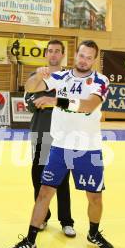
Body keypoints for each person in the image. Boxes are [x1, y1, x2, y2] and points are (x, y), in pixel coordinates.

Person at [8, 40, 114, 248]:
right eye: (81, 55)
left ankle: (93, 233)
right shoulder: (61, 76)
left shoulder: (100, 80)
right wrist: (38, 75)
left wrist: (54, 100)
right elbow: (30, 89)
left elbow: (87, 106)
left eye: (88, 57)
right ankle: (30, 241)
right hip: (59, 146)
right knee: (44, 192)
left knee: (94, 197)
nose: (83, 60)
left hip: (88, 148)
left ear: (94, 60)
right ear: (75, 55)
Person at [25, 39, 75, 237]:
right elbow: (31, 102)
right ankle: (43, 217)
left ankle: (66, 221)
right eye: (50, 51)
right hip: (41, 135)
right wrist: (53, 101)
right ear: (46, 54)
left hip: (63, 137)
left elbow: (73, 103)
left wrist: (50, 101)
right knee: (38, 177)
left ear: (63, 54)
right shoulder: (36, 76)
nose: (53, 54)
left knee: (62, 180)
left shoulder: (70, 78)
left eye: (57, 51)